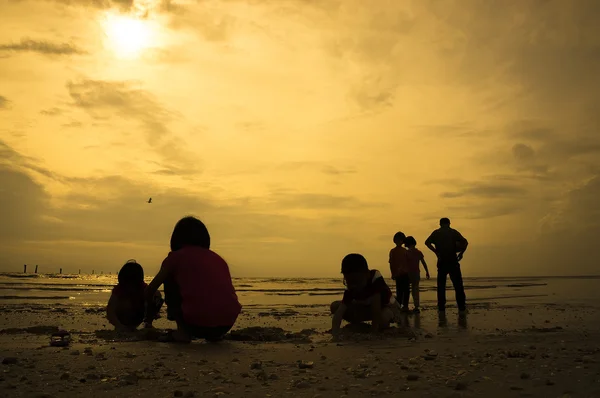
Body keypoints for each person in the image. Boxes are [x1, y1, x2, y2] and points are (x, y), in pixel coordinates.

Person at [145, 216, 242, 343]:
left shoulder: (174, 258)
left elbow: (150, 290)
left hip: (196, 324)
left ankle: (182, 333)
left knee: (169, 277)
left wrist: (145, 309)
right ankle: (214, 336)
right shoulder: (218, 259)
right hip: (226, 324)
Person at [330, 253, 397, 339]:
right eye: (349, 282)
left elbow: (376, 306)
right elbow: (340, 311)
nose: (354, 286)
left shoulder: (375, 278)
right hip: (364, 307)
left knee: (382, 320)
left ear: (367, 274)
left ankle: (377, 326)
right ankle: (360, 325)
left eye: (357, 282)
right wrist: (335, 333)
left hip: (385, 307)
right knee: (335, 306)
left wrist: (373, 333)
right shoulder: (351, 288)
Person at [425, 217, 468, 313]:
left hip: (442, 260)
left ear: (440, 224)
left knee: (441, 285)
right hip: (453, 260)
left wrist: (436, 252)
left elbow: (427, 242)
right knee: (458, 285)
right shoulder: (453, 232)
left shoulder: (436, 233)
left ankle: (441, 306)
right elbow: (465, 242)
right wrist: (461, 253)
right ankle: (461, 306)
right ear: (449, 223)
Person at [106, 260, 163, 332]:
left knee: (156, 295)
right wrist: (119, 325)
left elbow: (155, 294)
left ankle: (148, 323)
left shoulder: (143, 288)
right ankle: (123, 326)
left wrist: (153, 310)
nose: (130, 286)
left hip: (138, 313)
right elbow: (110, 309)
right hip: (123, 315)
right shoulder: (119, 289)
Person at [404, 236, 430, 313]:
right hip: (415, 273)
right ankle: (416, 306)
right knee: (415, 290)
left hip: (408, 273)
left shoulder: (406, 253)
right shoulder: (418, 252)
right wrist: (427, 271)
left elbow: (404, 264)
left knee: (407, 290)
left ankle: (405, 305)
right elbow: (423, 262)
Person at [389, 232, 410, 311]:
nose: (399, 241)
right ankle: (399, 305)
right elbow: (391, 263)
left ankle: (405, 306)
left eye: (400, 240)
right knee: (400, 290)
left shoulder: (405, 251)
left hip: (405, 273)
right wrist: (393, 273)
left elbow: (408, 262)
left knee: (406, 290)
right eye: (397, 240)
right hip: (398, 274)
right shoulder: (393, 251)